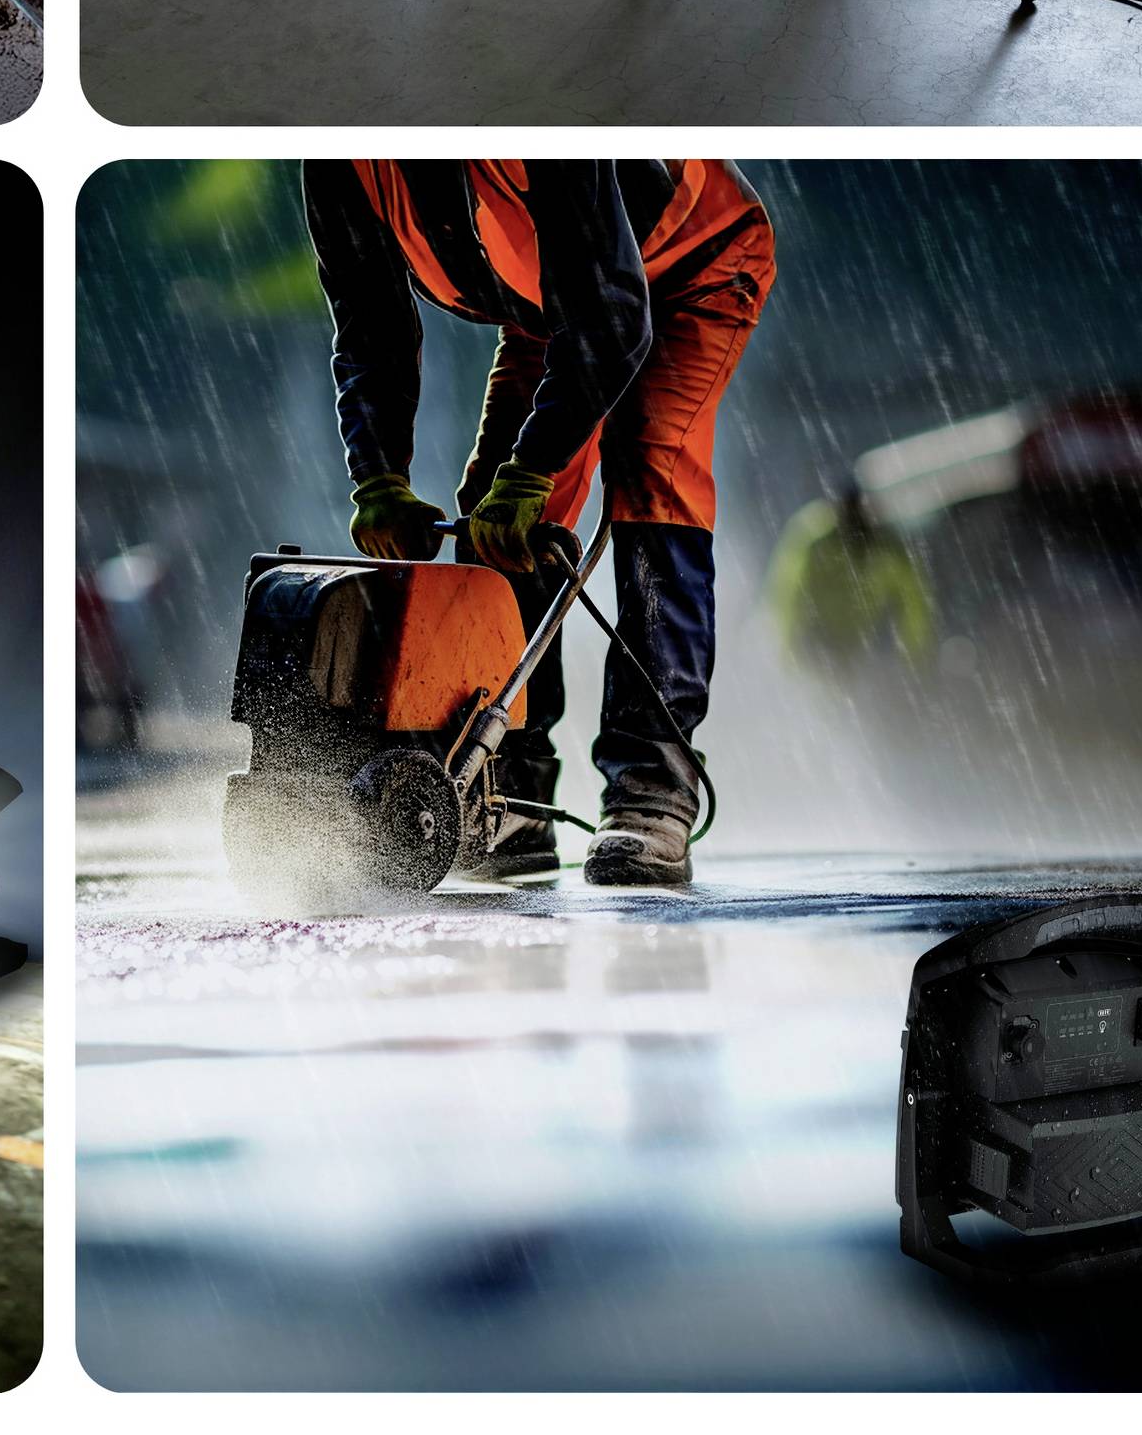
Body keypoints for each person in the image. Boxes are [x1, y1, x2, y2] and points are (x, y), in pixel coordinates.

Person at [303, 160, 776, 889]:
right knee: (496, 509)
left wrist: (533, 473)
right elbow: (369, 322)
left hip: (691, 267)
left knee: (652, 470)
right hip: (562, 303)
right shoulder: (339, 159)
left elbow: (616, 317)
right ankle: (512, 791)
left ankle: (651, 789)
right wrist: (377, 477)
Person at [767, 484, 938, 671]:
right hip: (812, 640)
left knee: (836, 689)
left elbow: (914, 599)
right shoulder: (814, 536)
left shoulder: (886, 549)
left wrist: (915, 652)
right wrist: (785, 646)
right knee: (817, 687)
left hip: (847, 646)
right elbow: (786, 593)